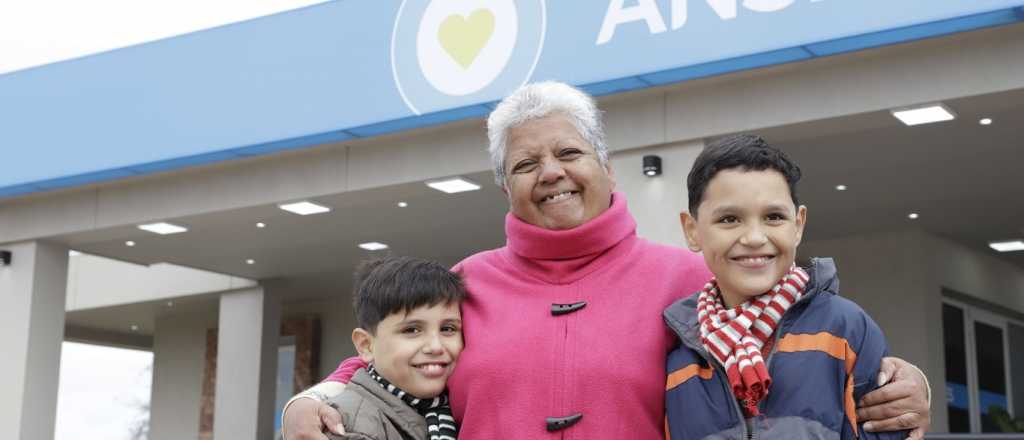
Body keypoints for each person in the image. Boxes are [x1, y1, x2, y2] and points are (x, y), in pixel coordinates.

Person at [282, 81, 931, 439]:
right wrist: (311, 400)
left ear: (607, 166)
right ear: (505, 187)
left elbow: (807, 347)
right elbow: (382, 361)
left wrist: (909, 384)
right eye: (526, 164)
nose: (551, 173)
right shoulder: (465, 284)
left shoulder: (693, 281)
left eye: (569, 153)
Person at [664, 134, 906, 439]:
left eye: (774, 217)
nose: (754, 238)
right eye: (729, 219)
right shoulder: (679, 354)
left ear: (798, 225)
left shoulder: (846, 329)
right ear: (692, 231)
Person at [325, 256, 465, 440]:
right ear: (366, 345)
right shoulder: (349, 428)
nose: (435, 347)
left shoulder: (450, 410)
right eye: (412, 330)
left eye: (448, 329)